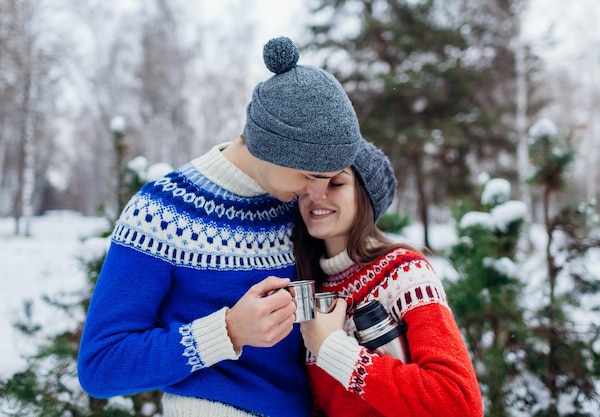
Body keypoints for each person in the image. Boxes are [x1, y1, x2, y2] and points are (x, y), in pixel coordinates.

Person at [77, 36, 365, 417]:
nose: (318, 194)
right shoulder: (161, 214)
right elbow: (101, 364)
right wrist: (227, 331)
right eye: (312, 175)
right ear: (272, 148)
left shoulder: (293, 205)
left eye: (331, 179)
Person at [295, 141, 483, 416]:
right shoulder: (311, 286)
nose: (317, 195)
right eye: (308, 183)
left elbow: (458, 404)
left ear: (366, 195)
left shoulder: (403, 273)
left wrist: (333, 348)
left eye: (336, 183)